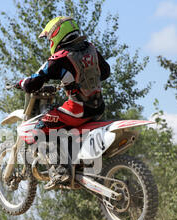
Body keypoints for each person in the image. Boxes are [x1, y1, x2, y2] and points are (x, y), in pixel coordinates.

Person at [16, 16, 111, 190]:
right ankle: (75, 160)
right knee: (59, 124)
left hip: (77, 110)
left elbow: (33, 83)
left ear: (56, 35)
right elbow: (105, 72)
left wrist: (21, 83)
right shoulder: (91, 49)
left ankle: (60, 171)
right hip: (98, 107)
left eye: (49, 38)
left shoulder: (59, 58)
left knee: (39, 129)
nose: (49, 42)